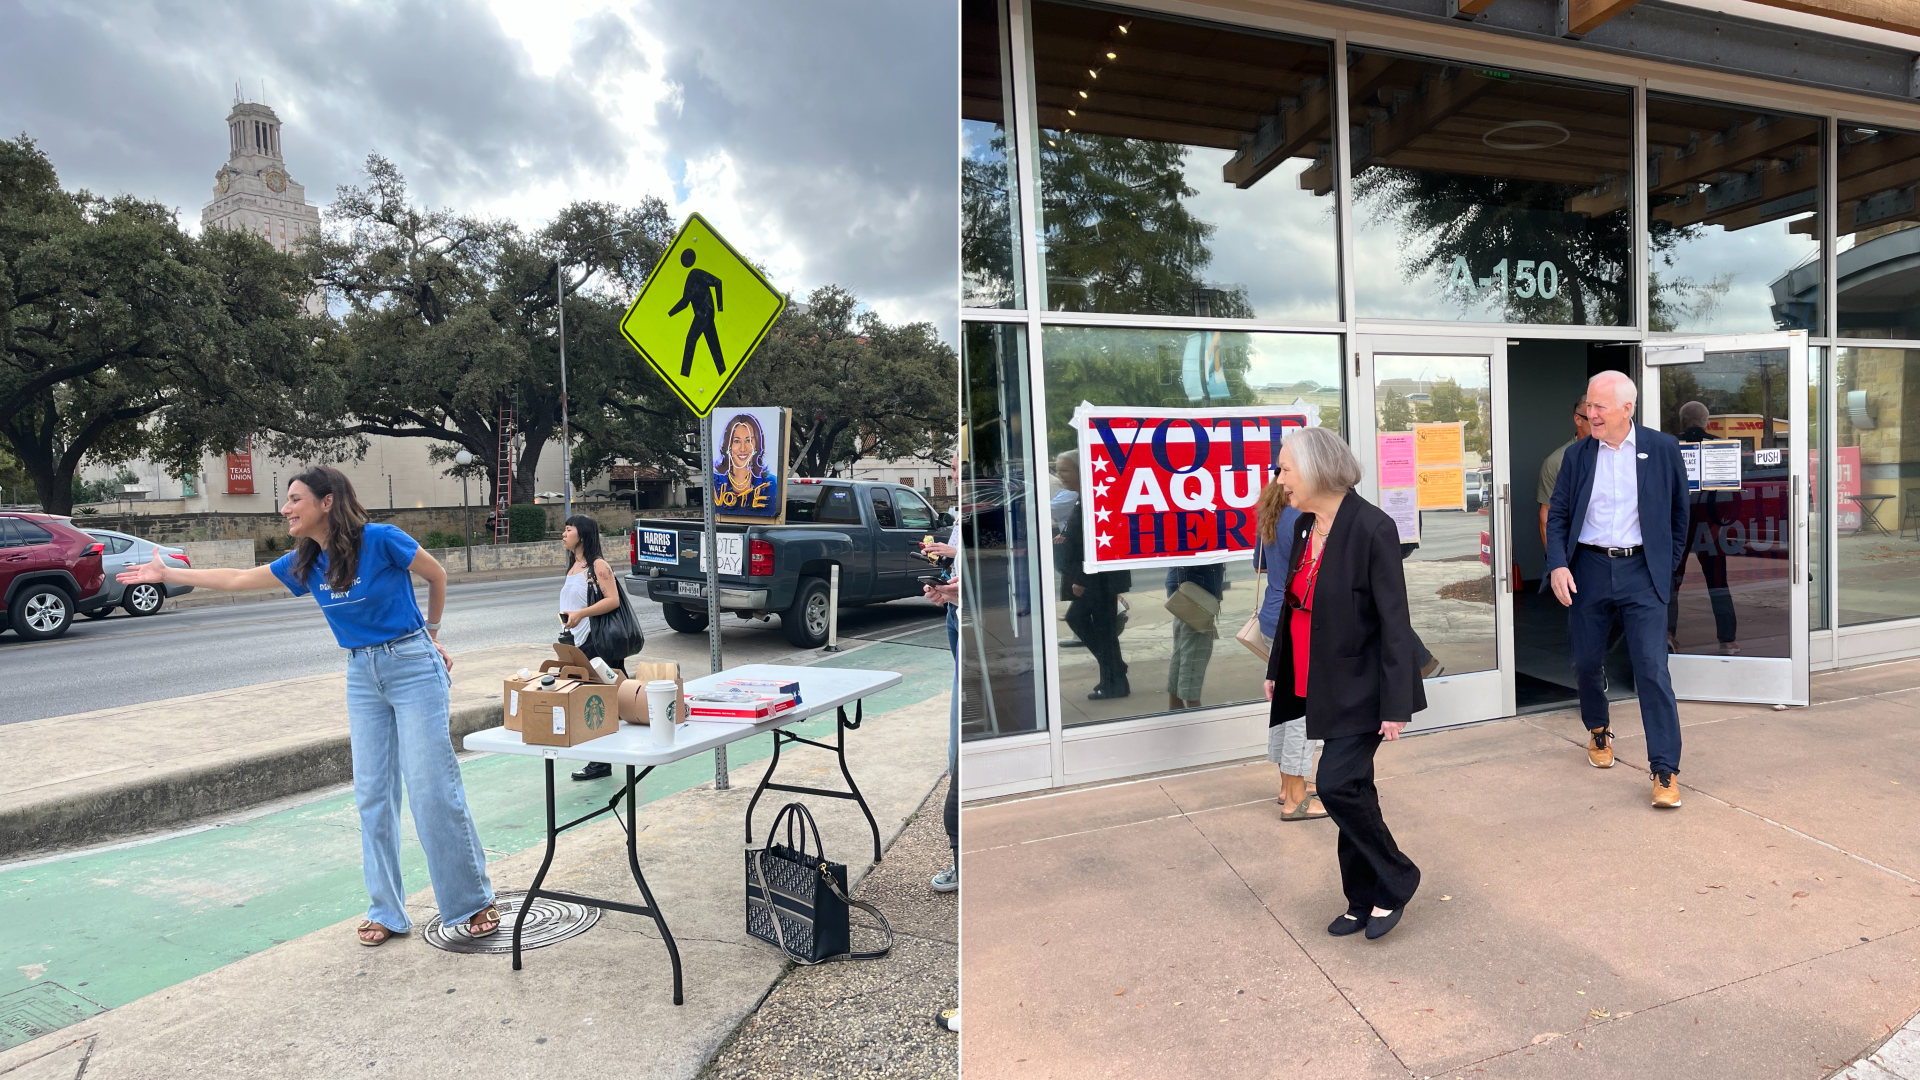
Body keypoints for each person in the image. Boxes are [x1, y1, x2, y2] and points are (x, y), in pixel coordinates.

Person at [118, 466, 498, 946]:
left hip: (412, 664)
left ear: (327, 502)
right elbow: (237, 578)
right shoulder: (307, 561)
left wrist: (433, 633)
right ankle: (387, 910)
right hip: (362, 674)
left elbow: (436, 575)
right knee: (373, 796)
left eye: (295, 498)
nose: (285, 508)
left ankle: (471, 900)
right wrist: (168, 572)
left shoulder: (382, 539)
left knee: (430, 788)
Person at [1263, 428, 1425, 941]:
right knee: (1355, 789)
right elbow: (1294, 607)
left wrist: (1396, 704)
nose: (1279, 477)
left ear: (1315, 470)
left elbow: (1394, 622)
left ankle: (1398, 877)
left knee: (1334, 785)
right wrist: (1277, 668)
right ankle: (1361, 898)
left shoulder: (1372, 527)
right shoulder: (1307, 526)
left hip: (1365, 686)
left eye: (1286, 468)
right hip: (1319, 680)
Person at [1545, 370, 1690, 808]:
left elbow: (1680, 515)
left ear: (1627, 409)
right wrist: (1557, 565)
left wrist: (1665, 570)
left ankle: (1665, 770)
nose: (1590, 414)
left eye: (1599, 407)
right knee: (1586, 662)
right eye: (1588, 406)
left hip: (1642, 572)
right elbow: (1559, 516)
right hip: (1588, 567)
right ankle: (1597, 726)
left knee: (1652, 670)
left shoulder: (1662, 449)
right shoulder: (1578, 455)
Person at [1254, 476, 1323, 819]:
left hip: (1271, 617)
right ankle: (1296, 796)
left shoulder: (1269, 512)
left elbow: (1260, 566)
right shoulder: (1302, 518)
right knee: (1301, 711)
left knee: (1284, 705)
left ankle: (1286, 785)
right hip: (1295, 619)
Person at [562, 515, 633, 783]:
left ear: (583, 534)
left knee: (603, 700)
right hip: (580, 642)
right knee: (613, 697)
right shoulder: (573, 566)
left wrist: (581, 614)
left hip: (598, 642)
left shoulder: (597, 565)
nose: (564, 533)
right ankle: (609, 756)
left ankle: (602, 761)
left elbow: (613, 600)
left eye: (569, 529)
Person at [1055, 450, 1130, 699]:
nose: (1060, 475)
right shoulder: (1083, 497)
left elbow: (1096, 542)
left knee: (1080, 620)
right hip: (1098, 577)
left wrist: (1081, 579)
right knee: (1104, 630)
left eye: (1065, 469)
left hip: (1097, 579)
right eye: (1058, 469)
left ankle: (1115, 672)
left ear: (1080, 470)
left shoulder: (1094, 497)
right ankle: (1114, 681)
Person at [1669, 399, 1738, 653]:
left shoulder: (1670, 446)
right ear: (1706, 422)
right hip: (1711, 524)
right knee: (1718, 581)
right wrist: (1721, 523)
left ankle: (1668, 633)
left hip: (1678, 524)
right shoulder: (1720, 447)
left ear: (1682, 422)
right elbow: (1731, 494)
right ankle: (1728, 639)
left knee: (1672, 579)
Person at [924, 457, 962, 896]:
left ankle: (961, 857)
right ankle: (960, 855)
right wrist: (949, 589)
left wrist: (958, 584)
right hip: (957, 614)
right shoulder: (962, 511)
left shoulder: (991, 508)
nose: (954, 475)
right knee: (958, 750)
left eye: (959, 467)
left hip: (976, 623)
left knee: (960, 755)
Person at [1164, 563, 1223, 712]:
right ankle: (1192, 705)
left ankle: (1176, 704)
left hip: (1183, 581)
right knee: (1195, 651)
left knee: (1181, 648)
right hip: (1197, 585)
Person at [1539, 396, 1590, 546]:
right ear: (1578, 420)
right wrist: (1556, 564)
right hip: (1575, 551)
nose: (1598, 422)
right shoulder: (1557, 461)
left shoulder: (1619, 454)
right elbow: (1547, 513)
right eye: (1591, 418)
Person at [712, 413, 776, 514]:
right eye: (736, 441)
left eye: (748, 440)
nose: (743, 448)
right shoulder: (714, 483)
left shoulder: (771, 484)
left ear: (756, 445)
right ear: (728, 446)